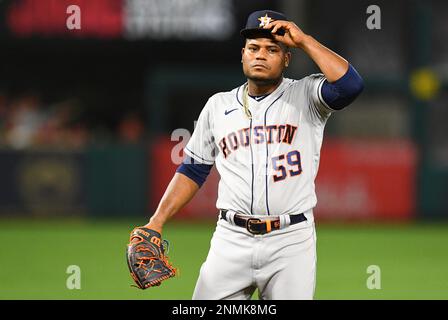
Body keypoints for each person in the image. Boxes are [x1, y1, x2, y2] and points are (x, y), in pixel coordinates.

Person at [135, 9, 363, 299]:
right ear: (243, 54)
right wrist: (157, 220)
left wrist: (304, 40)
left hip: (290, 241)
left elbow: (350, 85)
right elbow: (193, 169)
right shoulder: (218, 106)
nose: (260, 55)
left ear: (286, 58)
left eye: (271, 49)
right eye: (253, 48)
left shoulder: (306, 96)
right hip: (231, 238)